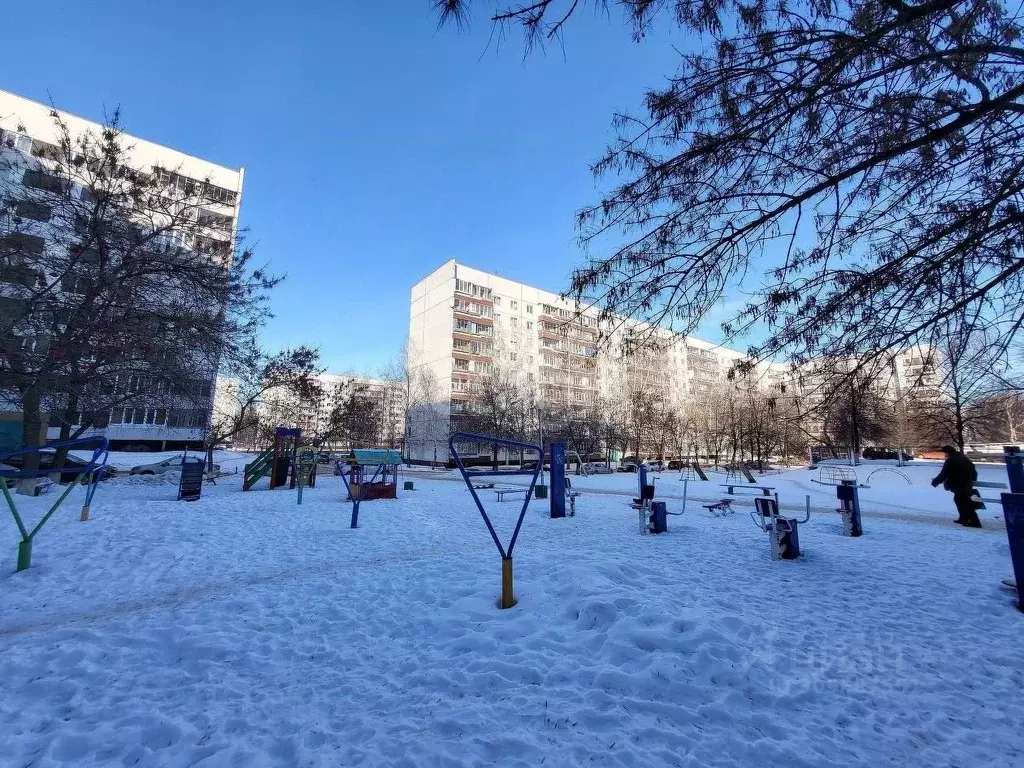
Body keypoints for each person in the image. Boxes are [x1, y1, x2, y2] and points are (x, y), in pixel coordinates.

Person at [930, 445, 982, 528]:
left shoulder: (951, 460)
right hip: (966, 484)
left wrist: (935, 482)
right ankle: (963, 518)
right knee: (960, 500)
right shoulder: (962, 457)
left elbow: (944, 473)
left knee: (964, 502)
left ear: (948, 452)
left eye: (945, 453)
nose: (945, 455)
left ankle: (975, 521)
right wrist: (972, 478)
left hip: (958, 484)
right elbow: (972, 467)